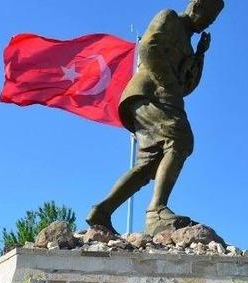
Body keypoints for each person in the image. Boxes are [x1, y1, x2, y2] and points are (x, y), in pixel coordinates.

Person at [85, 0, 226, 235]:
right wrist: (168, 86)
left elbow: (187, 86)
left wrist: (199, 56)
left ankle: (102, 210)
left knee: (149, 163)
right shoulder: (169, 18)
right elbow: (149, 48)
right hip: (148, 94)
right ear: (196, 7)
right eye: (208, 16)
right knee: (180, 139)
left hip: (158, 98)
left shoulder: (190, 46)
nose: (208, 23)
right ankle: (156, 212)